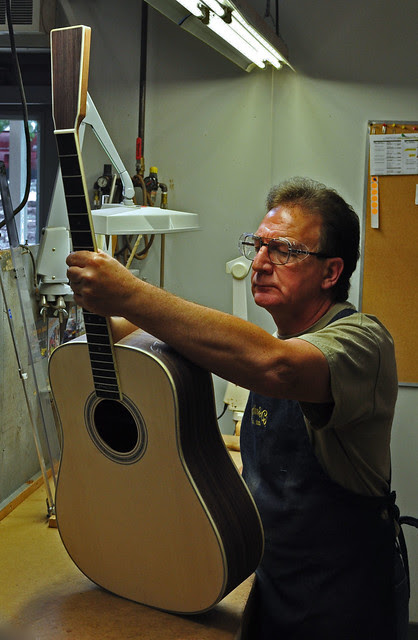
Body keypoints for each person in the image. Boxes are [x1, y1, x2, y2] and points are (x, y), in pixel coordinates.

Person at [66, 177, 406, 639]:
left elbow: (277, 367)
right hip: (266, 581)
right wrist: (100, 307)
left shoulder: (361, 342)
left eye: (283, 250)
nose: (260, 263)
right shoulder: (272, 343)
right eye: (258, 245)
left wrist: (130, 292)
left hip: (343, 601)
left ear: (331, 273)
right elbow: (154, 335)